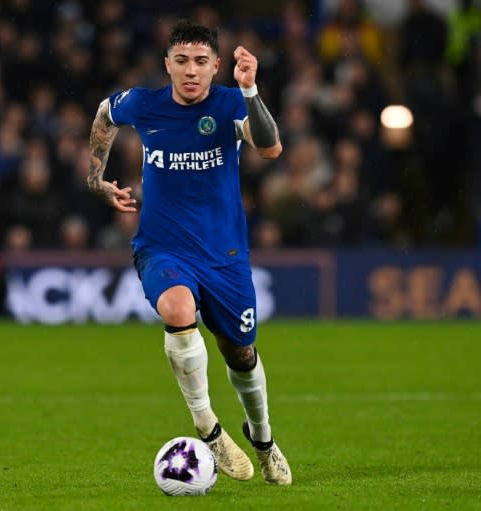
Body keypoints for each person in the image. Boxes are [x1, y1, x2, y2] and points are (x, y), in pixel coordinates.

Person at [87, 19, 291, 485]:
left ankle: (263, 439)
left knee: (240, 353)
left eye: (201, 62)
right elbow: (104, 115)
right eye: (181, 61)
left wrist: (250, 89)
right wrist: (95, 176)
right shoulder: (145, 103)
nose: (191, 71)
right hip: (162, 247)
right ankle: (209, 428)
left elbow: (271, 147)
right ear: (168, 65)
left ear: (216, 66)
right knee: (177, 308)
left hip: (225, 256)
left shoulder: (228, 105)